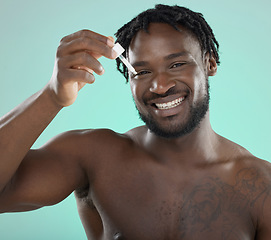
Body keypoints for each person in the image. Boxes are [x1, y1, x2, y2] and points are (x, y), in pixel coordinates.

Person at [0, 4, 270, 240]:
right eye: (141, 71)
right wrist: (52, 97)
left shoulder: (261, 187)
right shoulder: (95, 157)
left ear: (209, 63)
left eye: (176, 65)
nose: (160, 86)